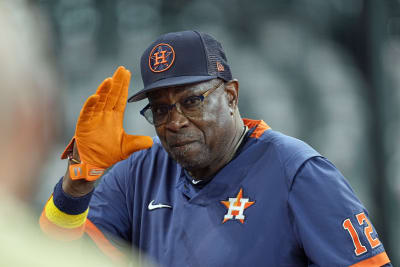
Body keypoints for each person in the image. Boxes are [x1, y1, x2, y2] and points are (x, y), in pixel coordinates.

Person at [40, 30, 392, 266]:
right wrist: (78, 184)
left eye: (191, 101)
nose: (174, 121)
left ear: (231, 96)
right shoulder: (138, 172)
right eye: (161, 109)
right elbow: (51, 256)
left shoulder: (298, 172)